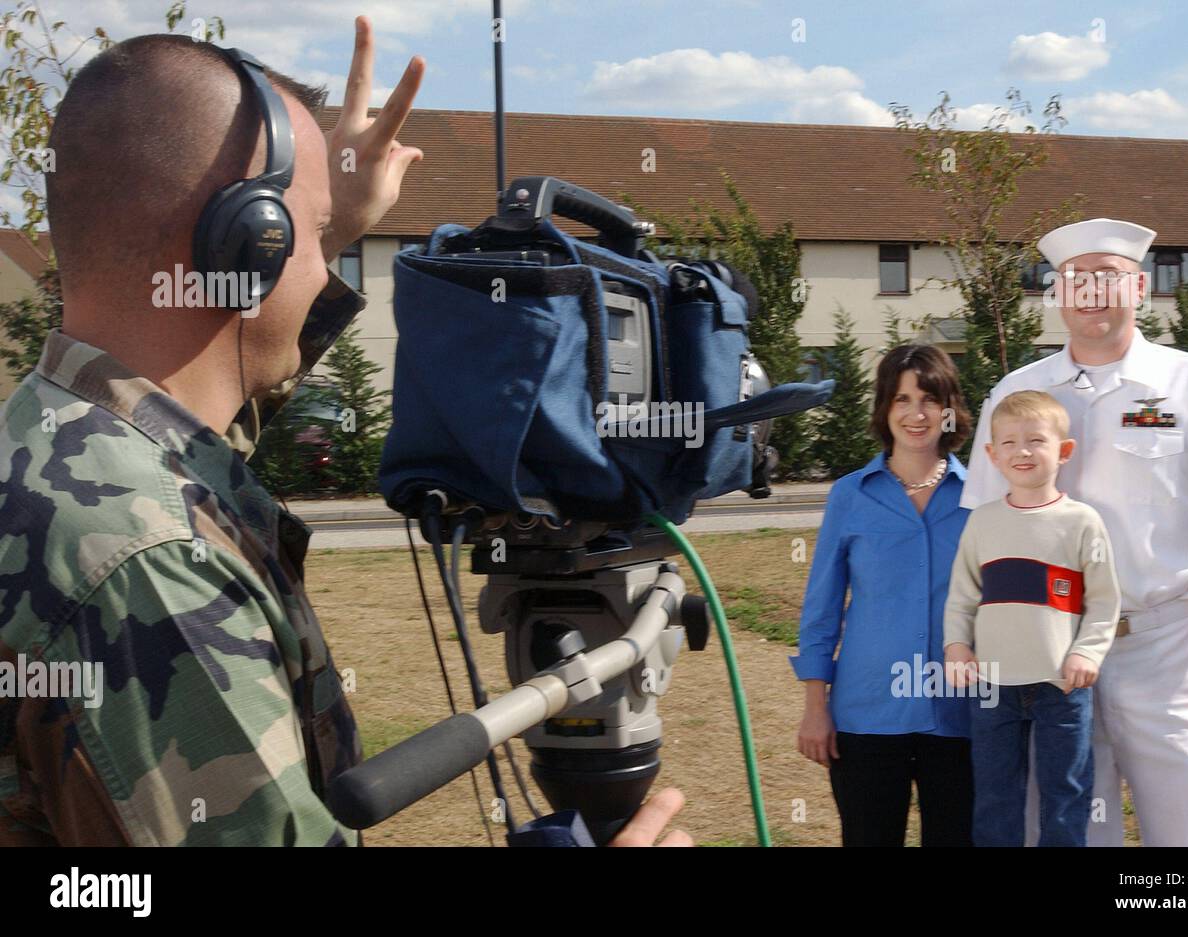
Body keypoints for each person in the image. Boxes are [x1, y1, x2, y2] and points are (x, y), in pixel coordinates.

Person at [0, 19, 688, 847]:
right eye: (315, 237)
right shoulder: (148, 563)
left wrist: (327, 218)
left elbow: (201, 433)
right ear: (248, 243)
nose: (329, 267)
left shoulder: (55, 442)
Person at [961, 217, 1188, 846]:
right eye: (1074, 279)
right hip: (1048, 651)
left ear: (1139, 287)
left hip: (1165, 650)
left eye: (1106, 278)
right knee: (1066, 833)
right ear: (1057, 295)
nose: (1090, 291)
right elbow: (986, 530)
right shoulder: (1015, 394)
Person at [792, 344, 974, 846]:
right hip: (867, 713)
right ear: (884, 409)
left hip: (961, 715)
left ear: (949, 410)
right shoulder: (850, 495)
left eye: (929, 400)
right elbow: (822, 606)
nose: (916, 414)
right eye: (901, 399)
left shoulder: (983, 495)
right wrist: (815, 705)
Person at [944, 390, 1121, 846]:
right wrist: (957, 647)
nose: (1022, 451)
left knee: (1066, 793)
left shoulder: (1082, 522)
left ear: (1063, 451)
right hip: (991, 683)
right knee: (996, 794)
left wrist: (1087, 651)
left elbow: (1103, 600)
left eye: (1036, 440)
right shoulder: (982, 522)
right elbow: (962, 597)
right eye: (1008, 443)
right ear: (991, 455)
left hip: (1061, 685)